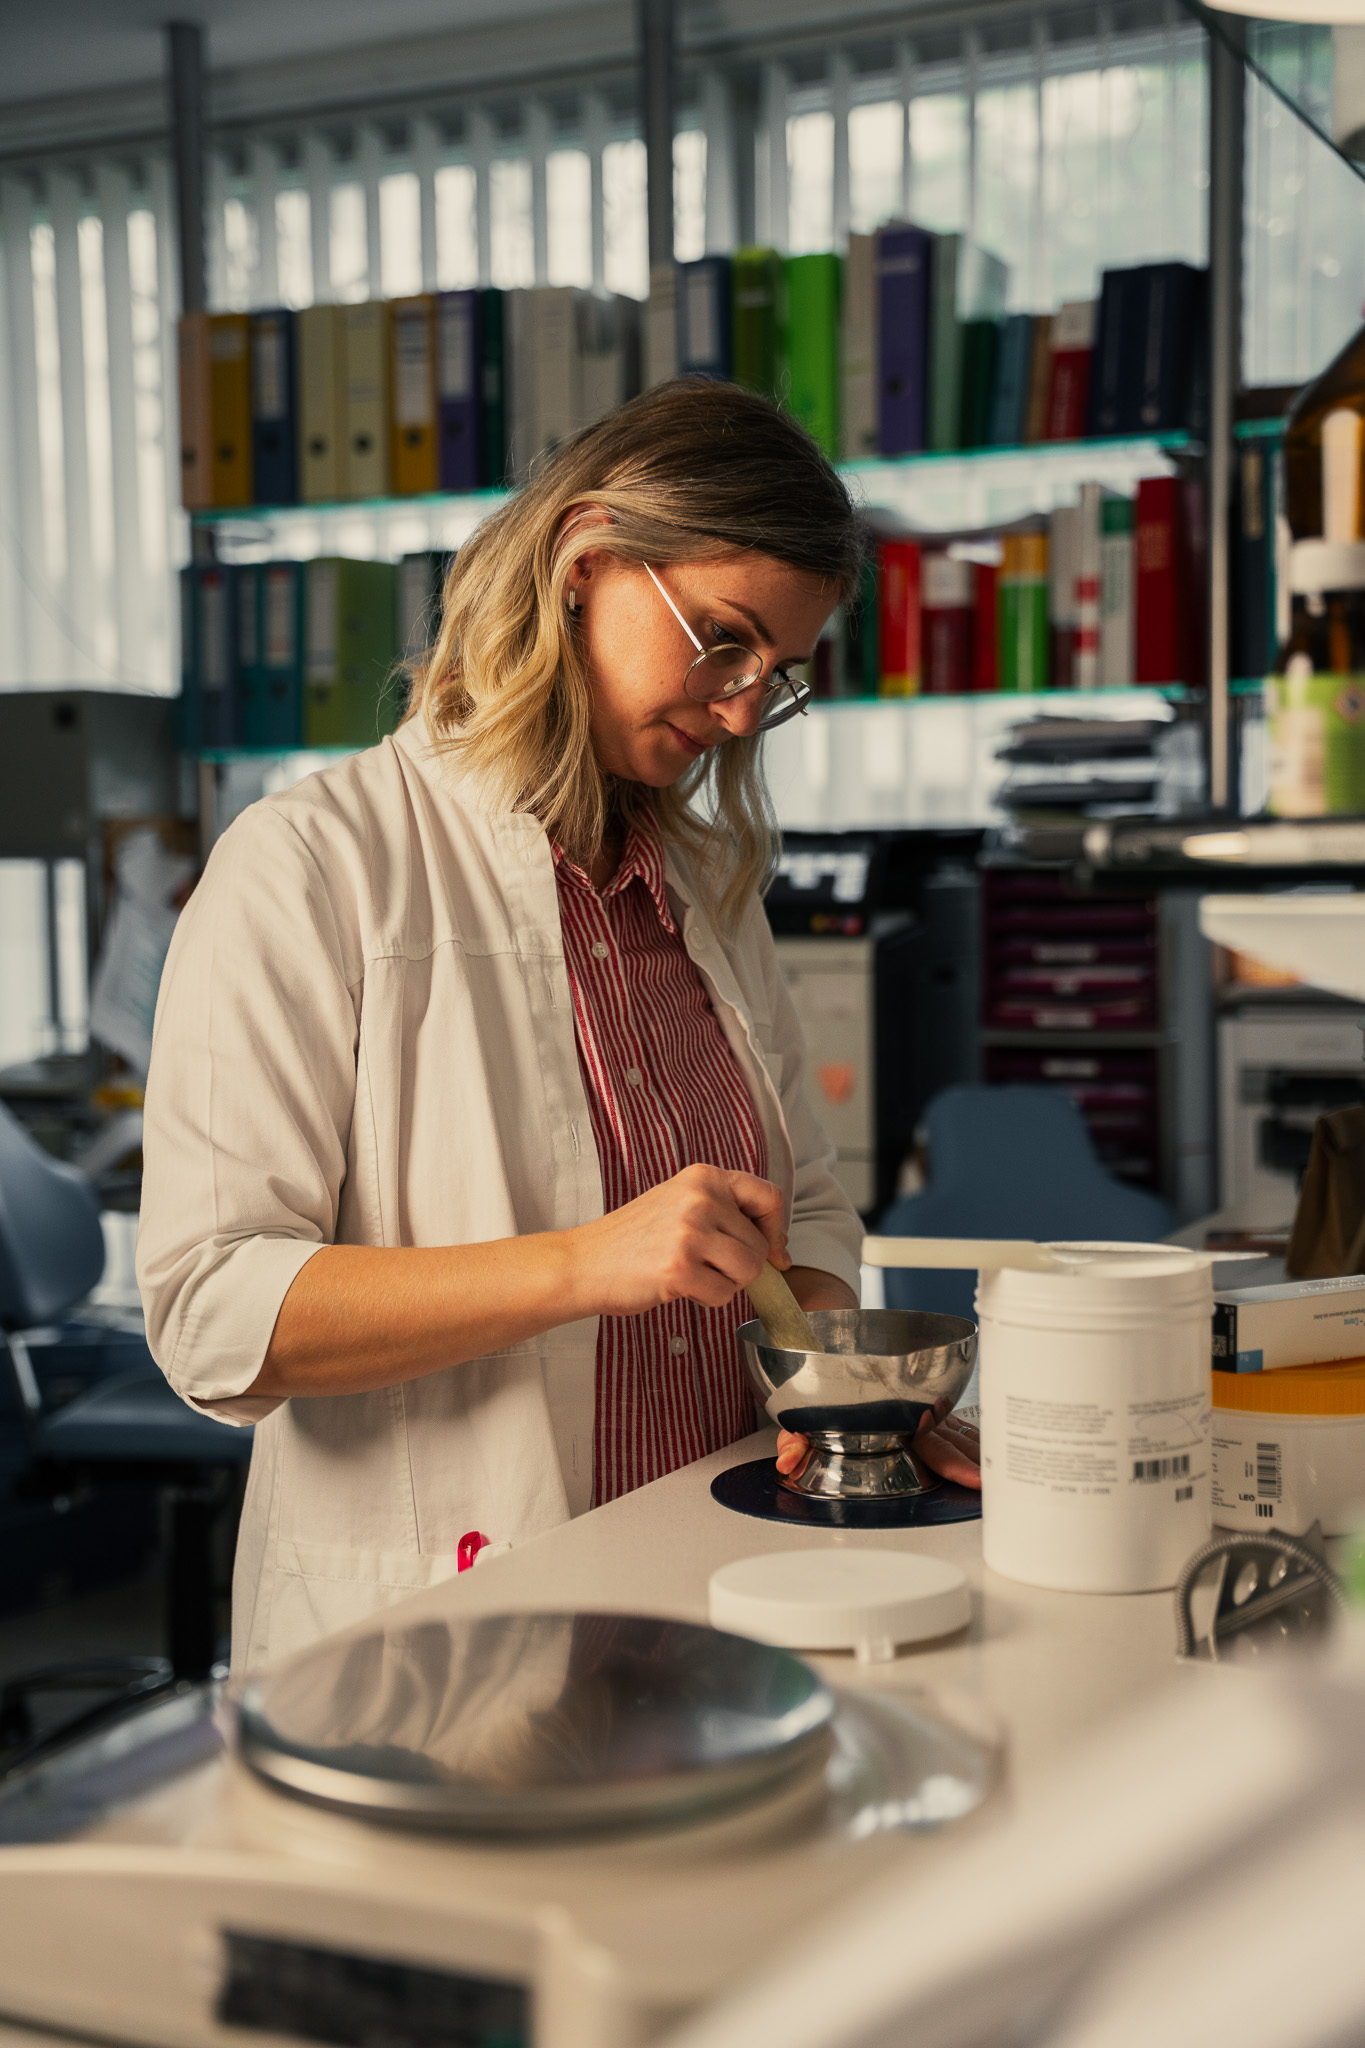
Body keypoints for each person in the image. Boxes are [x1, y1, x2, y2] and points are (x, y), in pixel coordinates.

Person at [137, 380, 978, 1673]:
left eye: (781, 674)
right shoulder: (310, 864)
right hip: (440, 1637)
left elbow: (801, 1206)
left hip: (722, 1595)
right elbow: (212, 1312)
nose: (748, 708)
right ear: (585, 563)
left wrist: (832, 1383)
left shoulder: (704, 888)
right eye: (725, 642)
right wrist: (585, 1264)